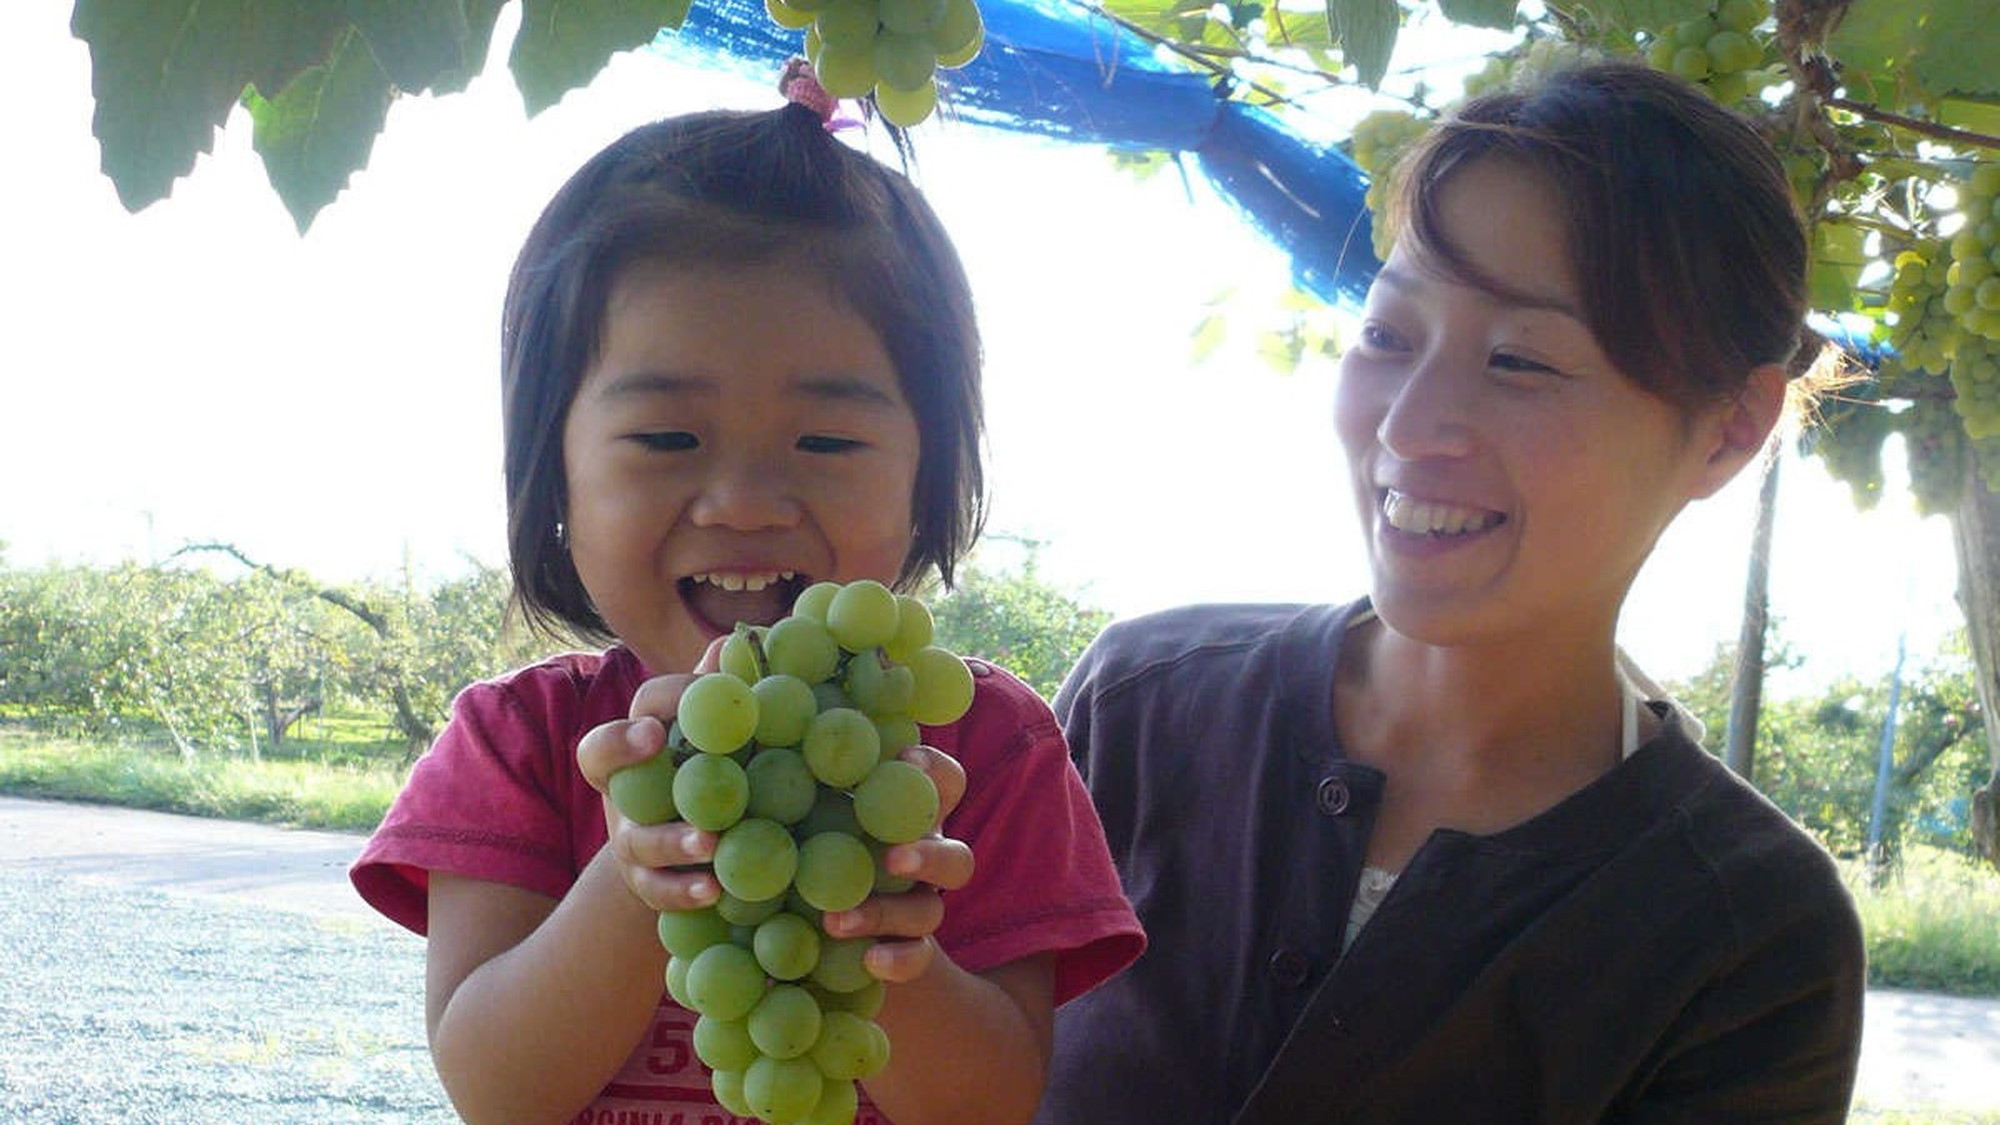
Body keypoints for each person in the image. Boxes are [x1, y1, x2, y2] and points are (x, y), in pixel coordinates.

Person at [1035, 60, 1866, 1124]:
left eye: (1518, 360)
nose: (1407, 426)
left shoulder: (1750, 937)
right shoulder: (1141, 705)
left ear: (1729, 426)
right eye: (1386, 335)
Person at [351, 68, 1144, 1125]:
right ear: (556, 473)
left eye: (826, 441)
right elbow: (500, 1091)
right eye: (667, 439)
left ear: (927, 474)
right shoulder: (518, 743)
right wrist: (638, 872)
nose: (745, 503)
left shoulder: (979, 748)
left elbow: (986, 1107)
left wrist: (877, 931)